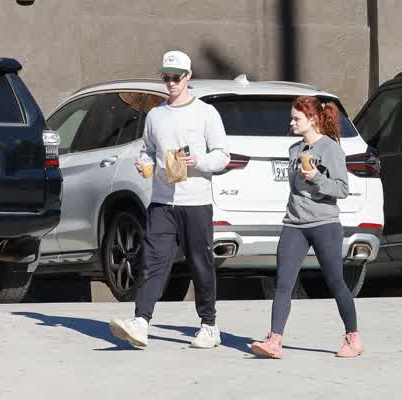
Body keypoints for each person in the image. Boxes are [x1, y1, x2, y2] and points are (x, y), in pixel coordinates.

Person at [109, 50, 230, 349]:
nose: (171, 83)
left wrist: (199, 161)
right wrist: (144, 163)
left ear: (188, 76)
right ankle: (141, 321)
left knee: (200, 264)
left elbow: (223, 156)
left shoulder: (206, 113)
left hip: (196, 202)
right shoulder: (156, 115)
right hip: (162, 202)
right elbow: (148, 149)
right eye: (166, 77)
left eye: (176, 77)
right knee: (152, 262)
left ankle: (209, 325)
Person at [250, 96, 363, 358]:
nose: (291, 123)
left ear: (312, 119)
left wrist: (317, 178)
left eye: (296, 118)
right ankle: (274, 340)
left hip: (325, 224)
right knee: (283, 282)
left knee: (335, 281)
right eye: (292, 118)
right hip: (294, 224)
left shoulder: (331, 149)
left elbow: (342, 189)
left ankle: (353, 337)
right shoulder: (294, 150)